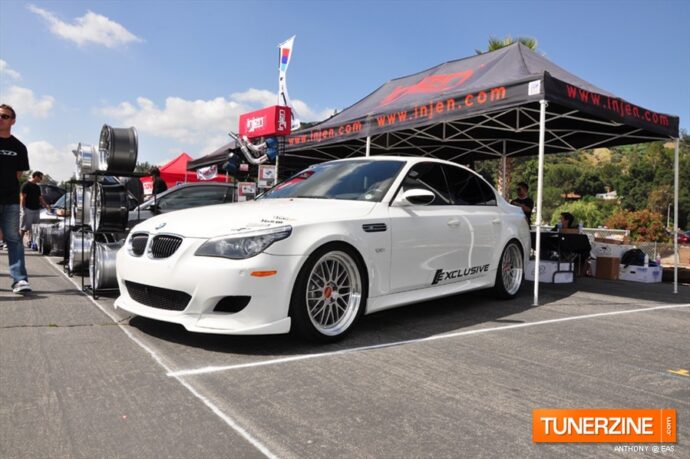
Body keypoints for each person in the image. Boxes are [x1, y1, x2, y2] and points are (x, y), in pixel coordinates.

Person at [0, 104, 31, 293]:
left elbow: (18, 175)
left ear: (13, 121)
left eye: (4, 116)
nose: (0, 119)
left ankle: (19, 280)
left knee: (13, 239)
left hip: (10, 200)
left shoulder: (19, 147)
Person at [20, 171, 50, 247]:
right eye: (40, 177)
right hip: (27, 209)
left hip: (36, 209)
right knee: (24, 227)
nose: (41, 179)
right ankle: (19, 242)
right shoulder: (26, 185)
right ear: (35, 176)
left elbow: (40, 198)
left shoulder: (37, 187)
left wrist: (46, 205)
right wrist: (23, 208)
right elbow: (23, 197)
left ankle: (31, 242)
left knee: (34, 228)